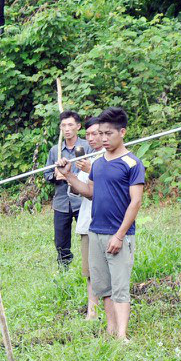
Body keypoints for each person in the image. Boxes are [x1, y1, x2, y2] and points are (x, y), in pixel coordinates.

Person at [56, 107, 144, 340]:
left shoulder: (132, 163)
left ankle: (122, 336)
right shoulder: (99, 163)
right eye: (100, 134)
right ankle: (111, 330)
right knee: (103, 287)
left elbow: (135, 203)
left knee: (120, 287)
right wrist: (69, 176)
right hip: (95, 231)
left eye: (108, 134)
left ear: (122, 132)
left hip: (118, 234)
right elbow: (90, 192)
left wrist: (119, 235)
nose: (103, 139)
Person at [44, 110, 92, 268]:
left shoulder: (87, 146)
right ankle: (64, 269)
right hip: (62, 202)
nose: (67, 129)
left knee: (89, 235)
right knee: (61, 240)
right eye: (63, 125)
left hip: (82, 200)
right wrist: (55, 175)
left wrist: (72, 176)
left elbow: (93, 170)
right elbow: (47, 174)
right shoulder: (55, 150)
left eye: (70, 125)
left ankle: (92, 266)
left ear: (78, 126)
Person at [72, 116, 101, 319]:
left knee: (107, 270)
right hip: (87, 222)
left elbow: (103, 190)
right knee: (90, 271)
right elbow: (78, 191)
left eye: (95, 133)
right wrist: (68, 175)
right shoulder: (88, 159)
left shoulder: (112, 159)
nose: (90, 138)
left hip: (107, 223)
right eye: (88, 134)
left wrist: (92, 171)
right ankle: (92, 312)